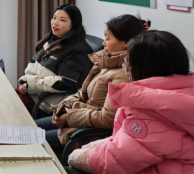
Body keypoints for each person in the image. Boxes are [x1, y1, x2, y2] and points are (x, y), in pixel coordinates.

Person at [67, 31, 194, 174]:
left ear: (143, 67)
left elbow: (112, 161)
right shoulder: (186, 95)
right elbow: (125, 145)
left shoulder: (156, 111)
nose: (126, 68)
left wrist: (77, 156)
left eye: (128, 63)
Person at [35, 15, 147, 158]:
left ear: (125, 43)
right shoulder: (106, 62)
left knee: (33, 140)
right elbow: (82, 92)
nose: (103, 43)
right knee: (31, 128)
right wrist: (62, 107)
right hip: (77, 118)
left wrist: (69, 116)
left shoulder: (123, 75)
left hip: (85, 132)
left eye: (107, 38)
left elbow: (108, 118)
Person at [18, 4, 93, 117]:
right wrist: (25, 82)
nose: (55, 23)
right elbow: (33, 63)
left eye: (62, 20)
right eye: (54, 18)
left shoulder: (79, 50)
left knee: (8, 107)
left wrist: (30, 85)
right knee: (4, 97)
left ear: (74, 24)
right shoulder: (53, 41)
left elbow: (65, 82)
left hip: (48, 105)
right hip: (35, 94)